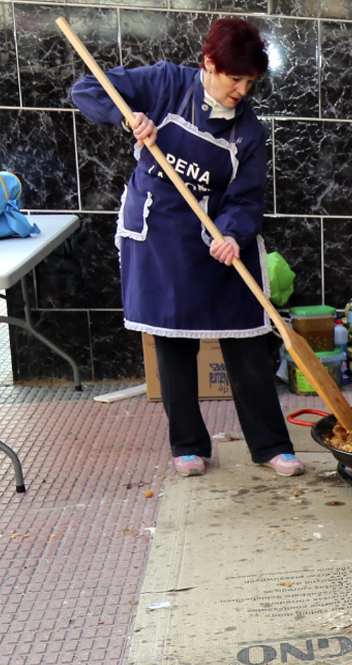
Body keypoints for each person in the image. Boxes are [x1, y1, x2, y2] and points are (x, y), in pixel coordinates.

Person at [71, 18, 303, 479]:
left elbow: (246, 197)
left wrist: (231, 234)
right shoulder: (165, 83)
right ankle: (188, 445)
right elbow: (86, 90)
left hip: (216, 238)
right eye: (234, 79)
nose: (242, 91)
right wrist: (127, 116)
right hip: (161, 236)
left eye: (250, 83)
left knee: (247, 339)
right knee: (173, 341)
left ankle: (271, 446)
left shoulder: (249, 131)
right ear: (209, 64)